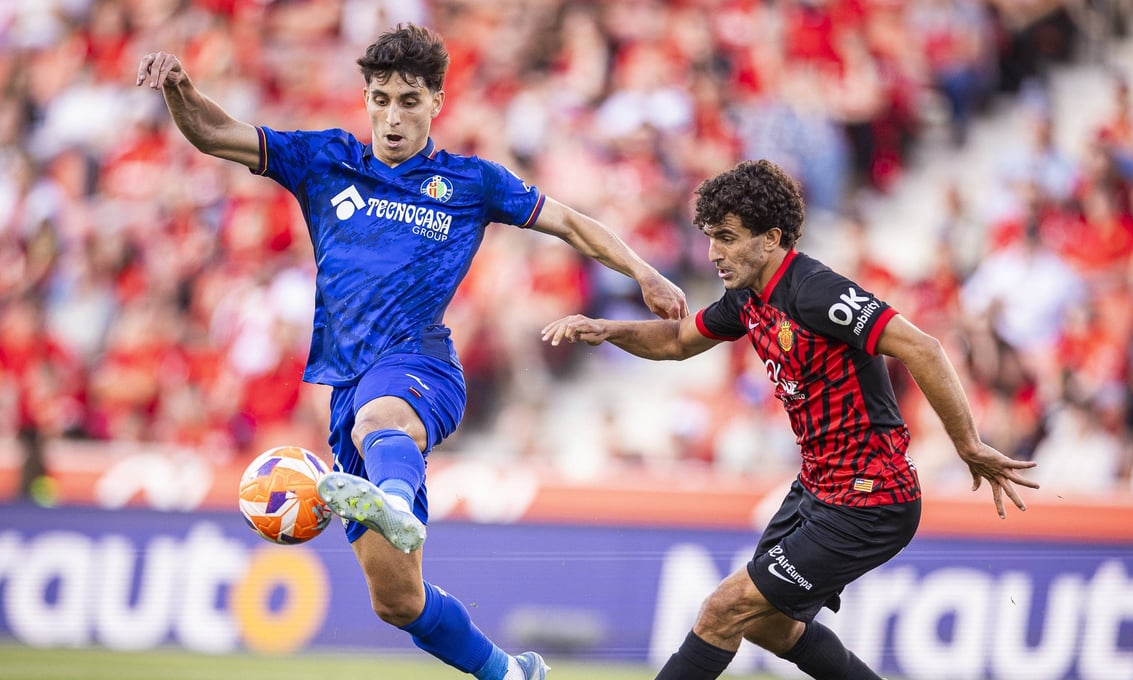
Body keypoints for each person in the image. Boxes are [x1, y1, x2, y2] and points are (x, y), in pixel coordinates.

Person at [136, 22, 687, 680]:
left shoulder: (470, 182)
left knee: (379, 419)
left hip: (420, 363)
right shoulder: (325, 159)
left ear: (436, 102)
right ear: (366, 99)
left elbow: (568, 221)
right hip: (347, 390)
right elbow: (214, 134)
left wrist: (644, 273)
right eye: (380, 99)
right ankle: (511, 673)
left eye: (408, 100)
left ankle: (394, 498)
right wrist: (180, 89)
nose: (392, 116)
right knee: (397, 601)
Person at [541, 159, 1038, 680]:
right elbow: (679, 341)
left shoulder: (816, 291)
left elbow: (924, 347)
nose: (713, 253)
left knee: (723, 609)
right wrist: (607, 329)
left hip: (870, 497)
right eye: (710, 238)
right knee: (768, 625)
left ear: (770, 238)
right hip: (818, 488)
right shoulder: (747, 298)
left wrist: (967, 444)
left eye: (727, 238)